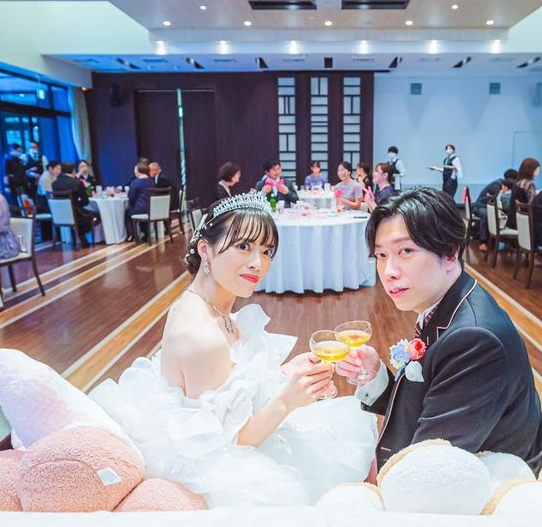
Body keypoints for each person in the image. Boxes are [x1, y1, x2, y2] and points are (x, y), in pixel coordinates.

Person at [89, 194, 377, 506]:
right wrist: (287, 400)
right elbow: (225, 446)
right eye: (243, 246)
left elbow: (229, 385)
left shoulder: (207, 303)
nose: (258, 263)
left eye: (266, 251)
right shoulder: (202, 336)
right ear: (205, 249)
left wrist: (286, 372)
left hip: (230, 433)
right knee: (351, 449)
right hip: (221, 468)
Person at [336, 188, 542, 472]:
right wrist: (375, 375)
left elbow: (431, 467)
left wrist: (373, 476)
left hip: (491, 484)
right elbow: (424, 399)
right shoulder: (447, 301)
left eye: (405, 251)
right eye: (381, 255)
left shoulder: (475, 339)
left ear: (449, 253)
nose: (388, 271)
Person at [52, 162, 101, 243]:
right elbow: (85, 202)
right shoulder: (76, 183)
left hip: (60, 215)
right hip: (76, 215)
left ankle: (77, 234)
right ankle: (81, 234)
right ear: (73, 170)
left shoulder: (55, 183)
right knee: (97, 216)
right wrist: (78, 204)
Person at [473, 169, 518, 251]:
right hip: (480, 206)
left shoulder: (503, 185)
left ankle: (505, 240)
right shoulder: (497, 185)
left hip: (488, 207)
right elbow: (499, 200)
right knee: (487, 215)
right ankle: (483, 241)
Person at [506, 158, 540, 230]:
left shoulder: (517, 182)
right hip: (522, 224)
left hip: (512, 221)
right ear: (531, 170)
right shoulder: (529, 184)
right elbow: (533, 204)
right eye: (537, 169)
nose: (538, 172)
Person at [125, 163, 154, 241]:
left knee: (127, 212)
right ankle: (145, 233)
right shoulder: (151, 182)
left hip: (140, 209)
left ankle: (132, 234)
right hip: (151, 208)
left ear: (138, 171)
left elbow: (131, 197)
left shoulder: (135, 182)